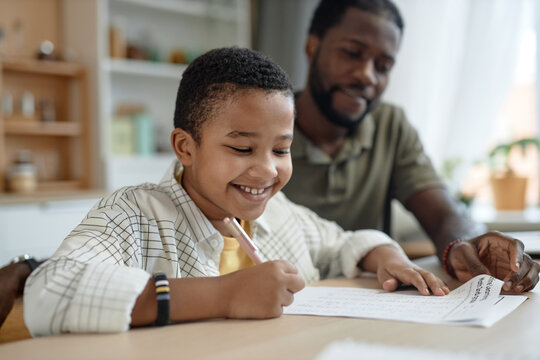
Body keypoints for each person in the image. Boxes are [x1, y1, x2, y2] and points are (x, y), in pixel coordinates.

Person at [24, 47, 449, 336]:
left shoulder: (278, 212)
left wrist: (389, 259)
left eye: (281, 149)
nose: (267, 169)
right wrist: (224, 295)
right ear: (185, 147)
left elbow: (344, 243)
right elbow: (50, 291)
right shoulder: (135, 214)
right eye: (242, 148)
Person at [282, 0, 539, 292]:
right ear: (312, 47)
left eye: (383, 66)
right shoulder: (264, 128)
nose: (367, 75)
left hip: (369, 305)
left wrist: (465, 244)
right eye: (352, 53)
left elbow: (443, 214)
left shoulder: (390, 125)